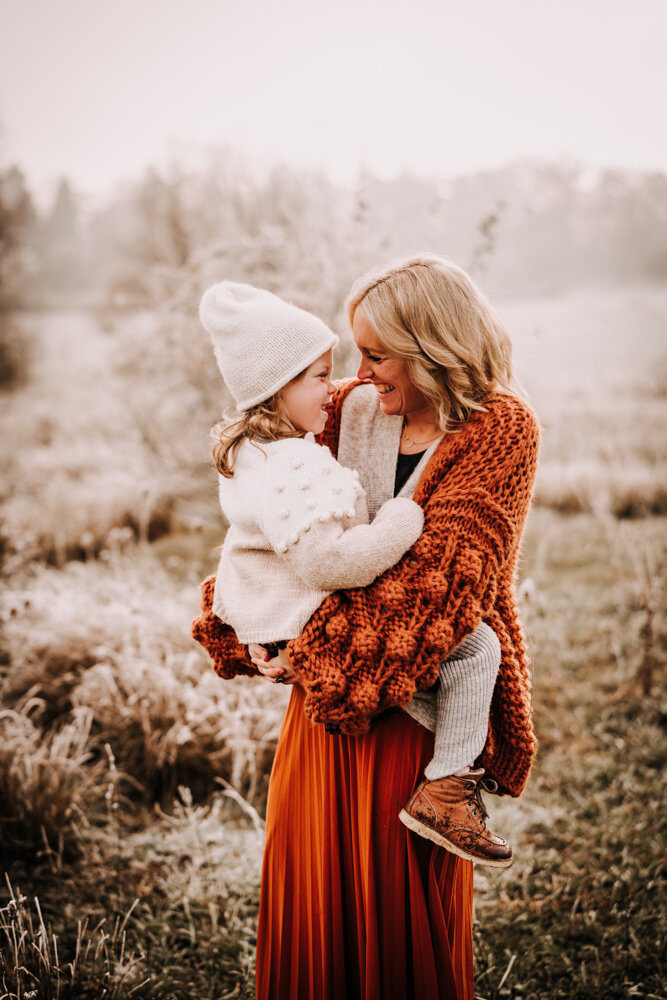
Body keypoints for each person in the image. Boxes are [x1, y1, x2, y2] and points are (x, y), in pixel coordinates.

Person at [193, 255, 540, 1000]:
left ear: (432, 348)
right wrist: (247, 627)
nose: (359, 371)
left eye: (377, 355)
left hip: (414, 712)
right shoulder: (344, 408)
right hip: (324, 712)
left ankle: (445, 794)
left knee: (396, 924)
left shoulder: (498, 430)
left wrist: (308, 645)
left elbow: (440, 589)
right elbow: (283, 529)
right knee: (318, 909)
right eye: (354, 353)